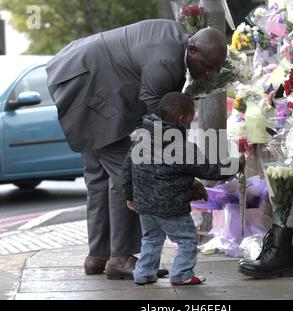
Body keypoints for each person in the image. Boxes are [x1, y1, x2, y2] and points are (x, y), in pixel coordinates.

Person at [46, 19, 227, 279]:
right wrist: (187, 173)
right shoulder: (166, 62)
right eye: (207, 66)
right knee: (130, 173)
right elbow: (161, 125)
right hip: (87, 84)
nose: (209, 73)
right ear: (193, 49)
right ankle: (119, 258)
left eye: (215, 70)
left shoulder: (176, 41)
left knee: (101, 176)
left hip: (81, 74)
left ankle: (99, 255)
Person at [123, 92, 245, 285]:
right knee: (187, 239)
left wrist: (130, 195)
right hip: (171, 206)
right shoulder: (182, 147)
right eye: (190, 118)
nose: (191, 123)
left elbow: (127, 168)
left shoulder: (142, 138)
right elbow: (209, 170)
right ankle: (182, 275)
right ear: (182, 119)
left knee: (151, 239)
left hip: (144, 204)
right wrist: (236, 164)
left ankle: (144, 274)